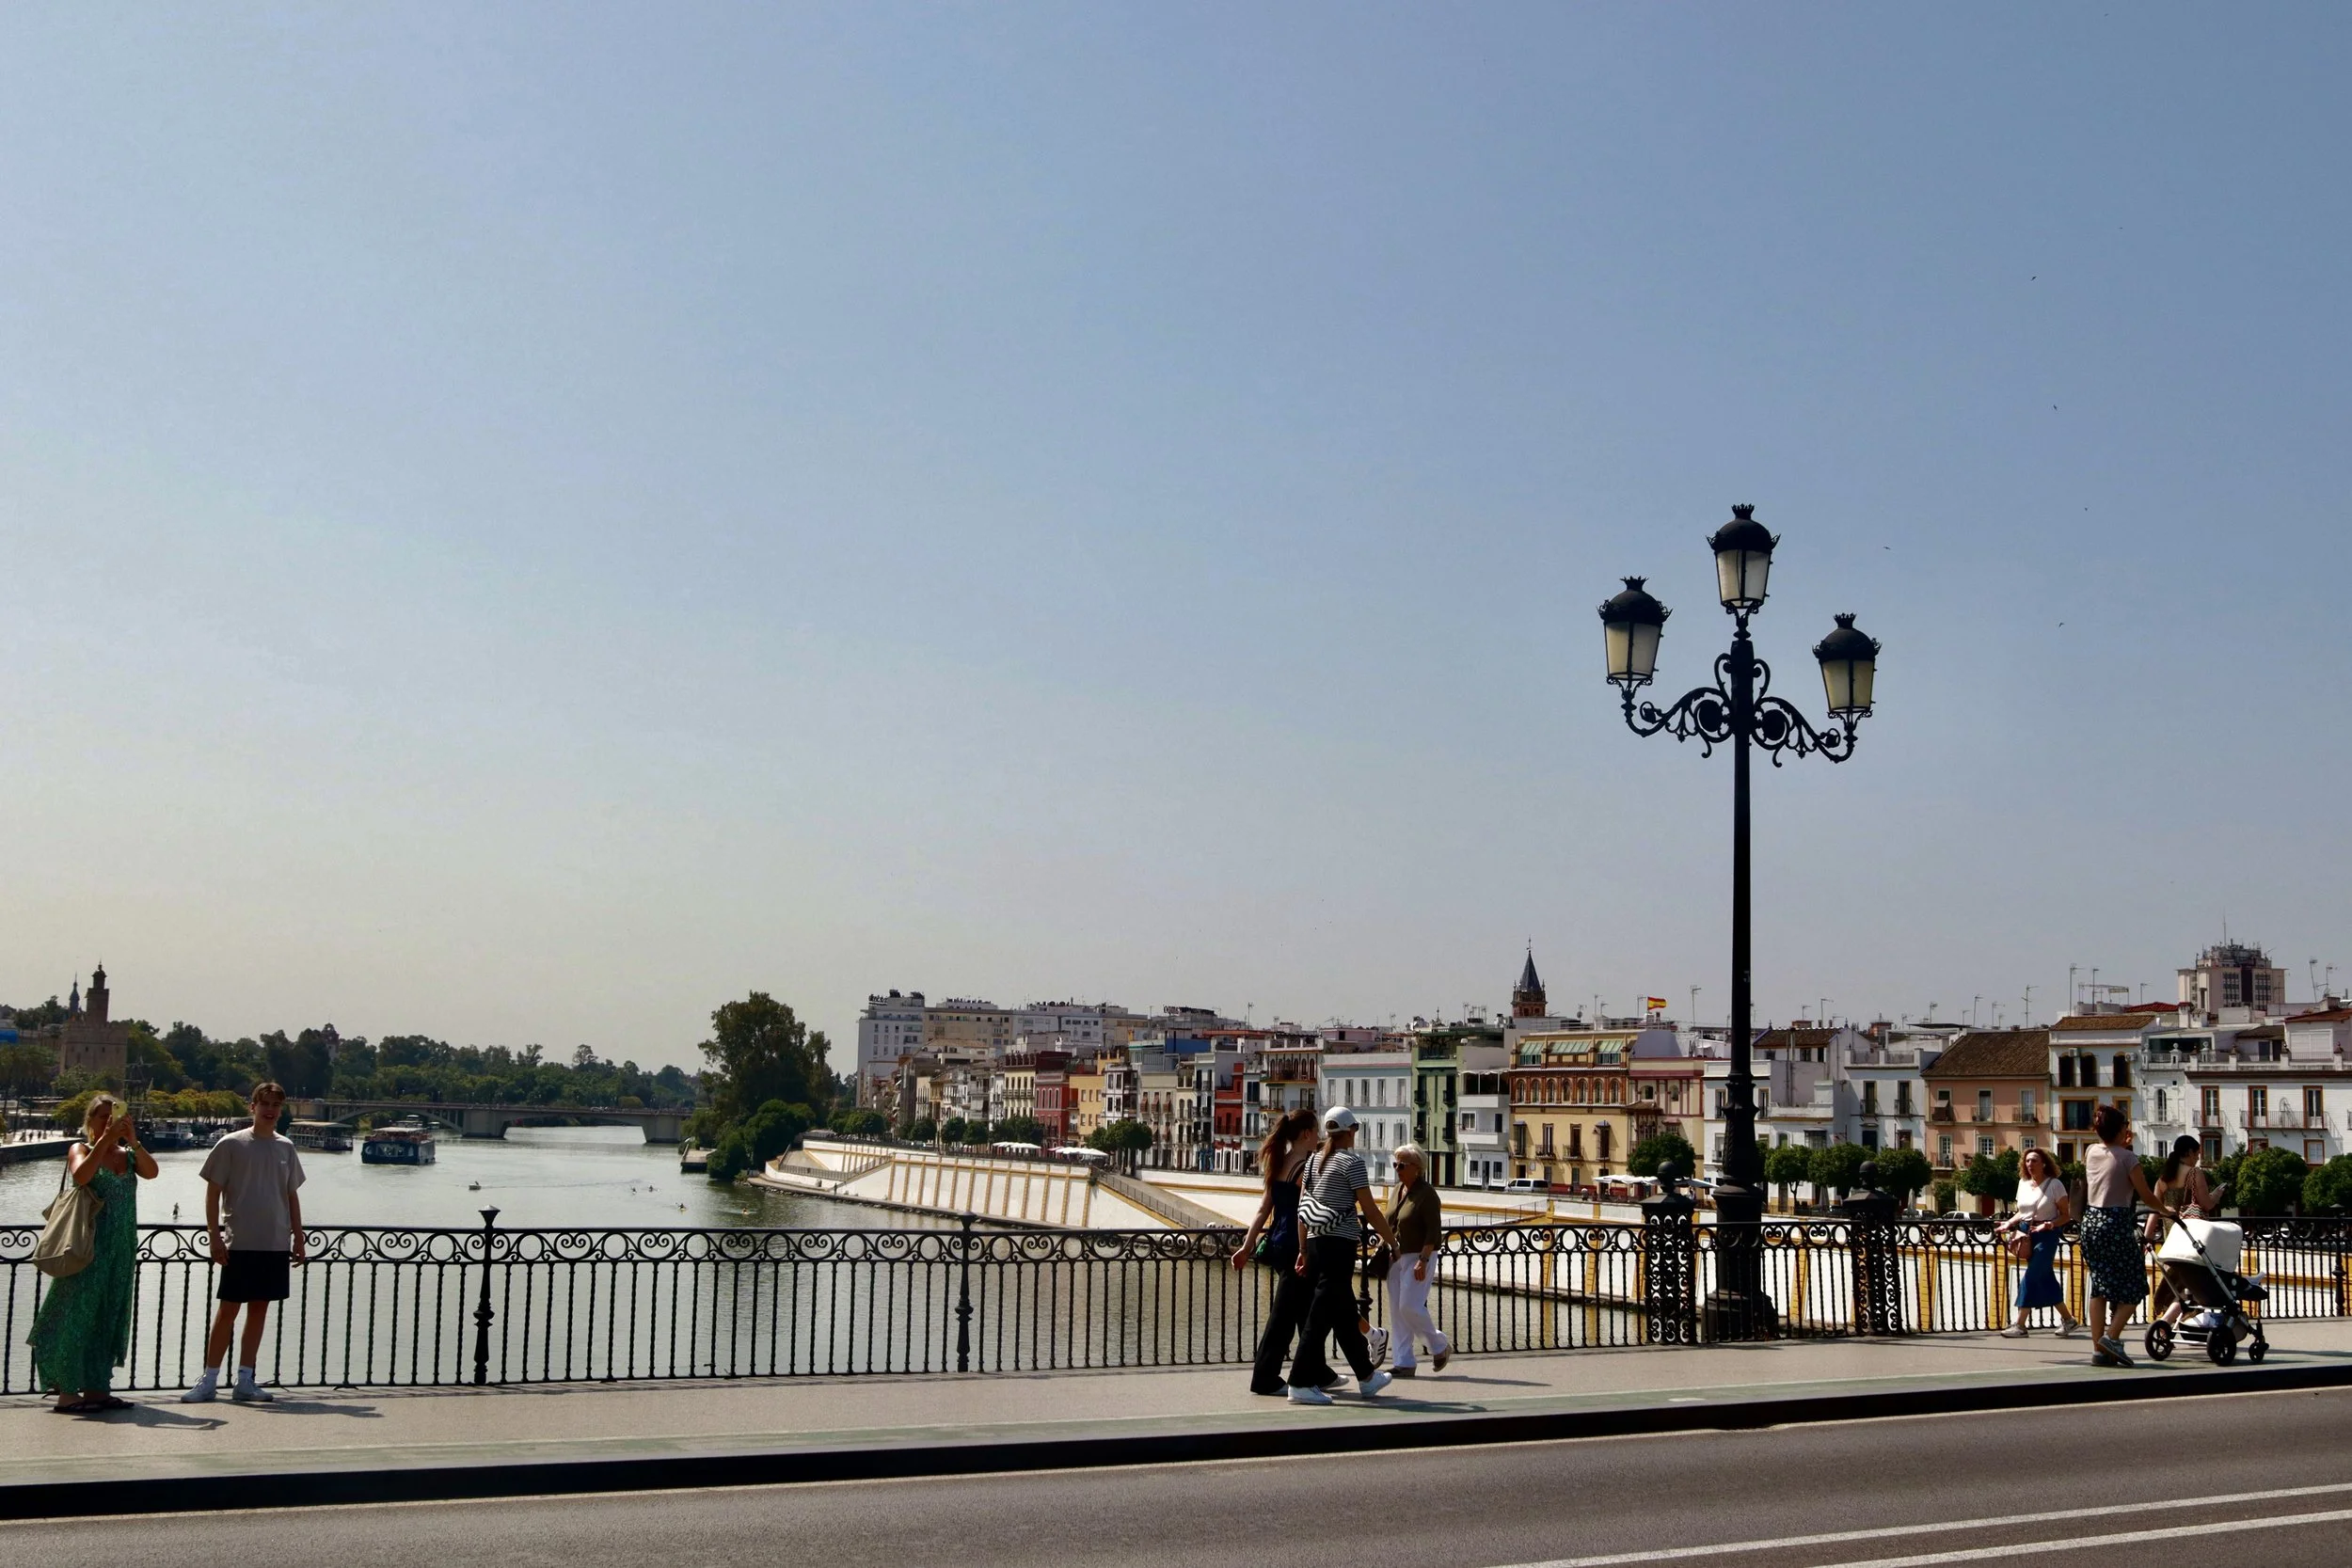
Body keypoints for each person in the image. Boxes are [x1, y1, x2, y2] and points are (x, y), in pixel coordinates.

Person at [29, 1094, 157, 1413]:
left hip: (121, 1249)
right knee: (77, 1317)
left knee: (108, 1317)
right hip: (87, 1249)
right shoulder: (81, 1149)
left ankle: (97, 1388)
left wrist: (132, 1140)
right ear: (90, 1121)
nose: (108, 1120)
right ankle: (67, 1392)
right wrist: (105, 1140)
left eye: (113, 1114)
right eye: (102, 1116)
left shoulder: (128, 1155)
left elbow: (152, 1172)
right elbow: (80, 1176)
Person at [183, 1082, 307, 1403]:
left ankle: (245, 1379)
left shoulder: (286, 1148)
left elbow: (291, 1195)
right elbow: (212, 1193)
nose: (270, 1110)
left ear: (281, 1110)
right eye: (264, 1103)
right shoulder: (230, 1144)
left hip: (275, 1242)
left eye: (276, 1105)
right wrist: (214, 1235)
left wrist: (299, 1236)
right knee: (228, 1311)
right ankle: (209, 1379)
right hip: (239, 1241)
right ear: (252, 1107)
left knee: (260, 1310)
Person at [1283, 1105, 1402, 1405]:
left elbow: (1302, 1212)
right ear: (1351, 1131)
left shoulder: (1311, 1163)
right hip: (1339, 1245)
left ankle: (1366, 1376)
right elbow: (1371, 1210)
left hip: (1314, 1243)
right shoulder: (1352, 1163)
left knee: (1341, 1311)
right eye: (1355, 1130)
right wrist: (1392, 1242)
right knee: (1319, 1317)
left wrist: (1302, 1250)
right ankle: (1299, 1382)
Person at [1233, 1110, 1320, 1396]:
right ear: (1306, 1133)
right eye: (1316, 1131)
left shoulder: (1279, 1162)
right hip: (1296, 1247)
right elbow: (1303, 1215)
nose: (1319, 1137)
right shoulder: (1305, 1167)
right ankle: (1265, 1378)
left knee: (1304, 1313)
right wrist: (1305, 1249)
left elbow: (1262, 1210)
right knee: (1283, 1318)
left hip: (1278, 1244)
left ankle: (1319, 1372)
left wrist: (1246, 1248)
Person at [2081, 1105, 2170, 1367]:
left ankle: (2099, 1351)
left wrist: (2120, 1142)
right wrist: (2166, 1210)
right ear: (2121, 1129)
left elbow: (2109, 1164)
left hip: (2091, 1222)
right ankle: (2111, 1337)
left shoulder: (2091, 1151)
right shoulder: (2129, 1159)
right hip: (2116, 1223)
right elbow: (2145, 1194)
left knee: (2098, 1287)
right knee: (2134, 1287)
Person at [1994, 1148, 2079, 1338]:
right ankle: (2069, 1320)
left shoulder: (2055, 1185)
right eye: (2027, 1161)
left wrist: (2050, 1224)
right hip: (2026, 1234)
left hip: (2047, 1235)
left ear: (2044, 1164)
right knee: (2045, 1277)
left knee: (2032, 1275)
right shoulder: (2023, 1184)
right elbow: (2022, 1211)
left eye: (2034, 1161)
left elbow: (2067, 1215)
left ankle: (2020, 1324)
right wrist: (2009, 1223)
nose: (2030, 1164)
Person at [1383, 1144, 1451, 1376]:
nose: (1397, 1169)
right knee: (1396, 1311)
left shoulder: (1427, 1194)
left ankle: (1439, 1345)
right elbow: (1390, 1220)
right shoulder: (1397, 1190)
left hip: (1419, 1255)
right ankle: (1404, 1362)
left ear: (1417, 1168)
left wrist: (1423, 1259)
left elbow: (1434, 1229)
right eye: (1395, 1164)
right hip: (1396, 1257)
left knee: (1409, 1306)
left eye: (1402, 1165)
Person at [2150, 1134, 2223, 1327]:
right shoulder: (2195, 1173)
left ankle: (2170, 1323)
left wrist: (2147, 1239)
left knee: (2178, 1286)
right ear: (2189, 1152)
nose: (2198, 1157)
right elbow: (2206, 1204)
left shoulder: (2163, 1179)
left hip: (2170, 1242)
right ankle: (2167, 1322)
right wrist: (2217, 1194)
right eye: (2197, 1153)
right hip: (2191, 1240)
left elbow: (2154, 1211)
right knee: (2194, 1286)